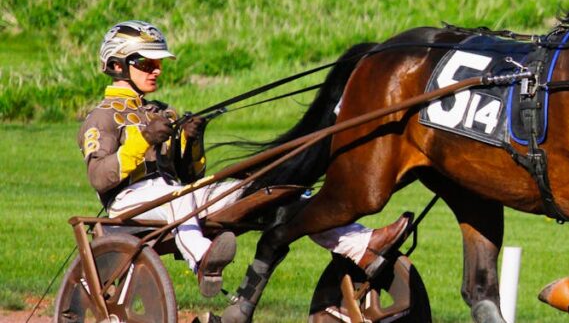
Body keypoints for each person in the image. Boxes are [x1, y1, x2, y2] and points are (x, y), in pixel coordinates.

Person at [77, 20, 409, 298]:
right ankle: (203, 259)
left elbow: (187, 175)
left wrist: (192, 139)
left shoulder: (161, 111)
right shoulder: (102, 118)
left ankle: (359, 242)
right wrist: (144, 138)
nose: (157, 70)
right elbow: (100, 177)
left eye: (158, 63)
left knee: (273, 191)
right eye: (147, 63)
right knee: (179, 196)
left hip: (178, 199)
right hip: (128, 207)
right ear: (118, 65)